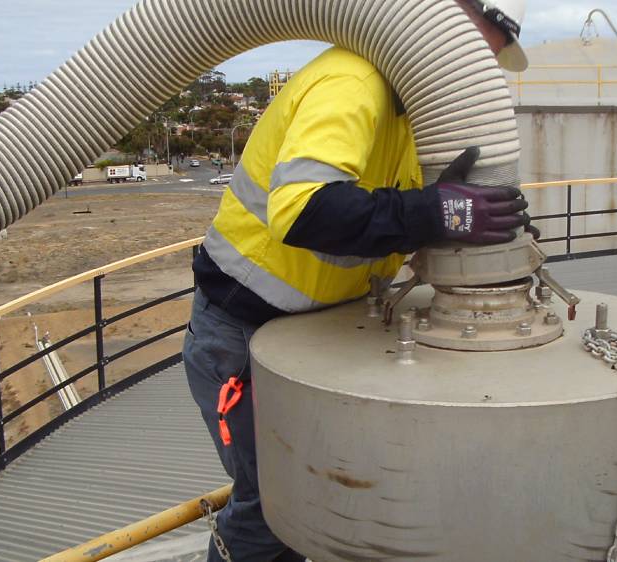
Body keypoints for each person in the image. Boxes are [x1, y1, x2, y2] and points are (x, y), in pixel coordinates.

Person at [183, 2, 530, 561]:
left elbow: (395, 208)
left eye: (482, 63)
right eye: (471, 51)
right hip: (243, 335)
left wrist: (446, 210)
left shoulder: (418, 112)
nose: (472, 75)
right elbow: (306, 211)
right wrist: (431, 213)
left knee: (320, 495)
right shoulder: (352, 82)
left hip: (324, 333)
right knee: (272, 503)